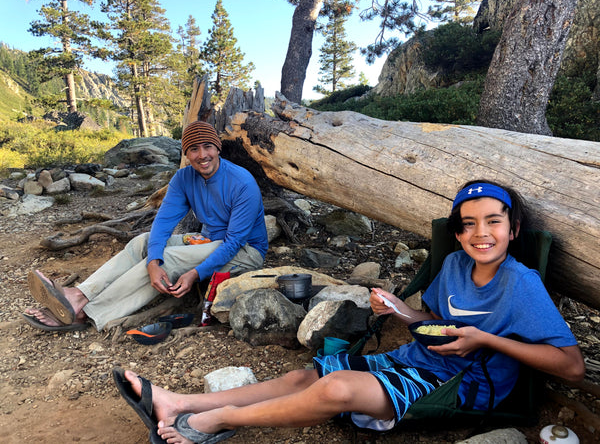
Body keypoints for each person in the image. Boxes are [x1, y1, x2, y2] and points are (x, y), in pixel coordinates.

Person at [113, 180, 585, 444]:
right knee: (305, 378)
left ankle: (220, 423)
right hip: (423, 362)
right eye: (469, 225)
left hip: (466, 385)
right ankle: (181, 403)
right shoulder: (457, 266)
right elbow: (435, 326)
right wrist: (403, 312)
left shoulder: (520, 284)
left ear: (513, 228)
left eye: (493, 222)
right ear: (458, 235)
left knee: (336, 387)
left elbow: (572, 365)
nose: (481, 234)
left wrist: (485, 340)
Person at [23, 121, 269, 332]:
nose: (202, 155)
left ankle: (88, 312)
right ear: (186, 153)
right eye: (193, 149)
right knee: (142, 242)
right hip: (207, 241)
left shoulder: (242, 183)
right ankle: (79, 294)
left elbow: (234, 242)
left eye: (207, 147)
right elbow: (163, 221)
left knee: (170, 260)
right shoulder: (184, 178)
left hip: (244, 251)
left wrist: (195, 274)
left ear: (218, 148)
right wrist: (152, 261)